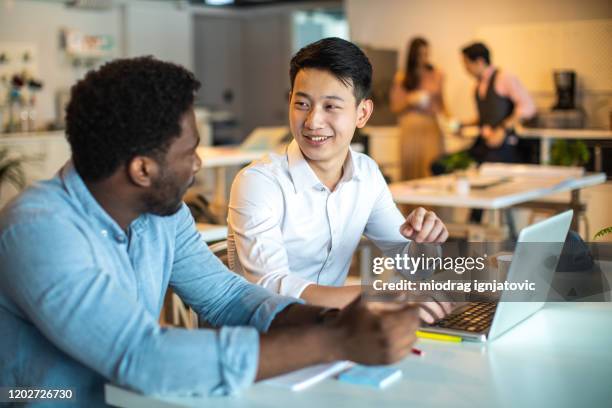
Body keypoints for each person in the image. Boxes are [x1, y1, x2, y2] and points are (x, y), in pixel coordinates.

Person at [0, 57, 421, 406]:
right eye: (189, 152)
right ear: (142, 169)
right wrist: (335, 340)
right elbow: (143, 356)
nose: (199, 164)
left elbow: (227, 297)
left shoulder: (161, 213)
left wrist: (332, 317)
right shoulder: (39, 231)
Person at [228, 38, 450, 315]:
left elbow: (414, 269)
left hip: (335, 333)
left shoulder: (366, 174)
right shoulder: (259, 182)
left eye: (331, 107)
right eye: (302, 104)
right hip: (268, 339)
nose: (312, 121)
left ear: (362, 113)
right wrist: (377, 297)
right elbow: (270, 286)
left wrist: (424, 243)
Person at [457, 42, 536, 165]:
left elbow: (528, 107)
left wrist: (502, 130)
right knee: (440, 165)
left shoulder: (504, 78)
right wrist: (463, 125)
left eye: (467, 63)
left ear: (479, 61)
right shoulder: (477, 86)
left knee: (485, 170)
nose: (465, 68)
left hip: (505, 145)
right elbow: (486, 116)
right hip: (483, 143)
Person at [390, 37, 447, 180]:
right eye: (420, 55)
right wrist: (410, 100)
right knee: (411, 169)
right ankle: (412, 203)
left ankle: (432, 203)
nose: (424, 58)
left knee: (433, 166)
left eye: (426, 54)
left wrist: (451, 122)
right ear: (413, 55)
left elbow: (442, 104)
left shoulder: (437, 74)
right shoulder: (402, 77)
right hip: (411, 127)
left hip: (431, 126)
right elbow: (396, 107)